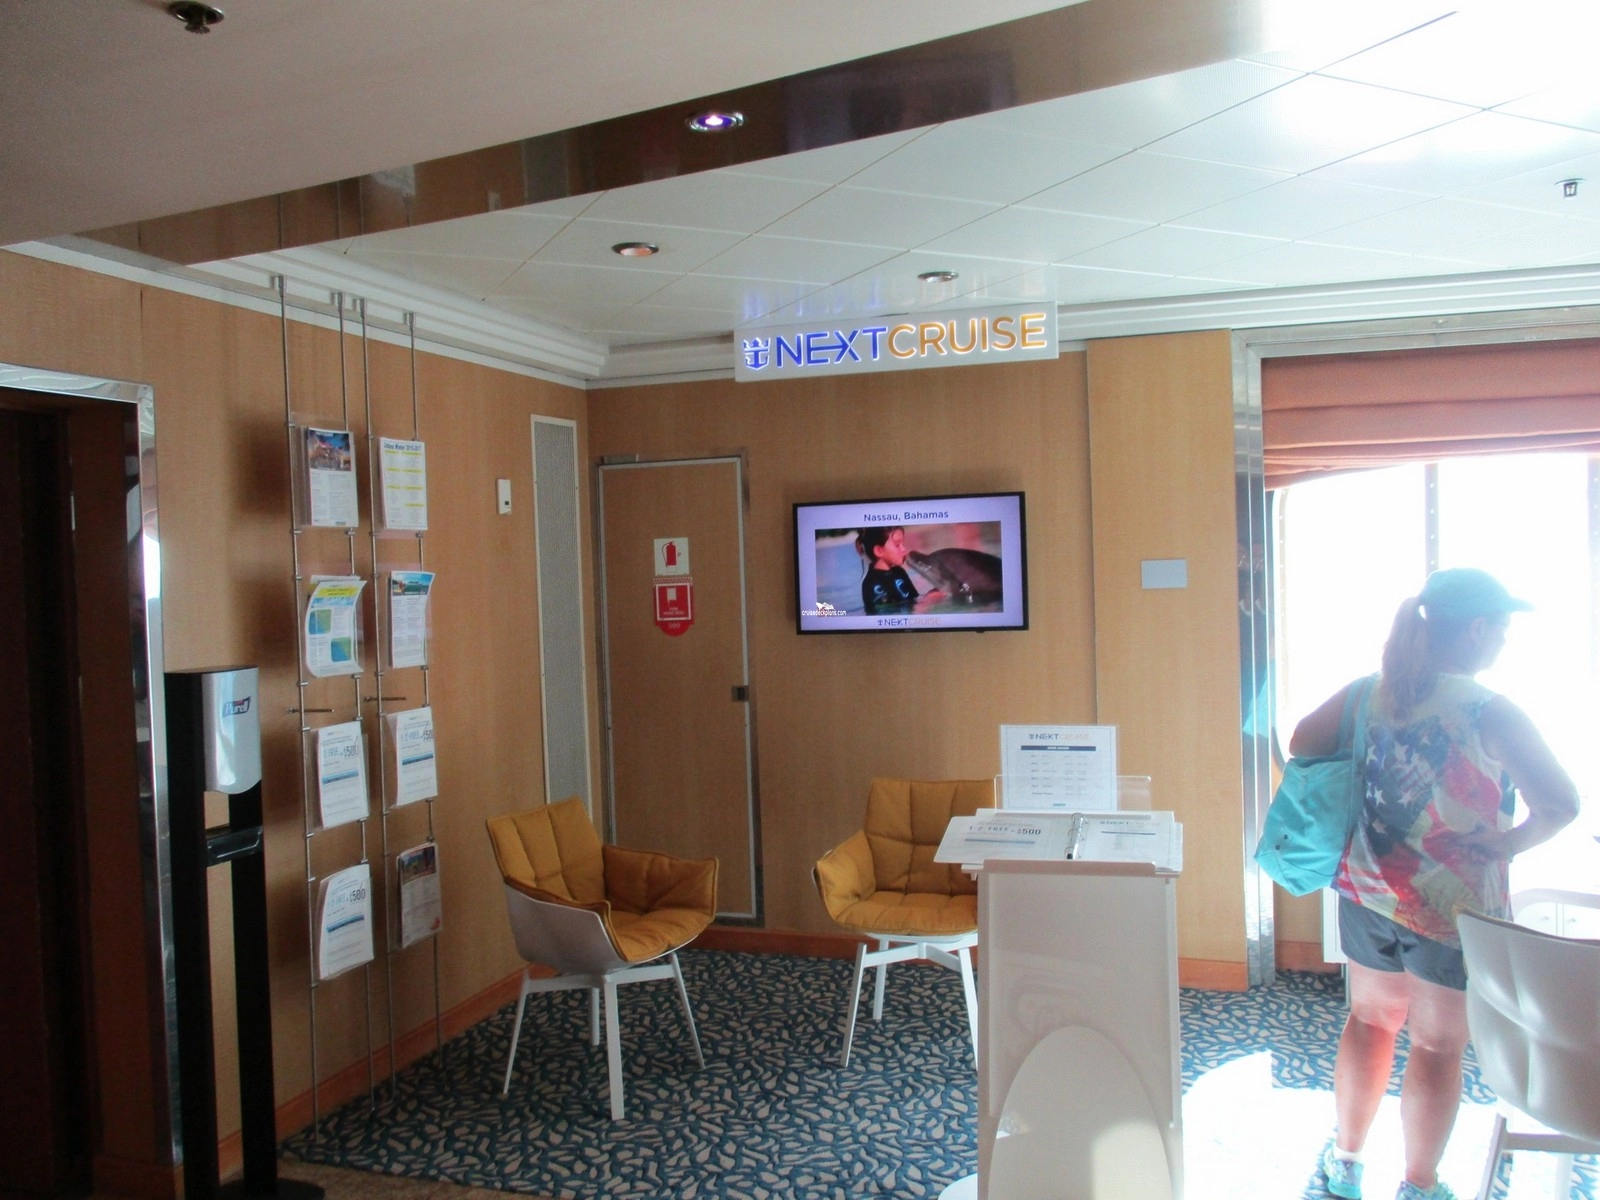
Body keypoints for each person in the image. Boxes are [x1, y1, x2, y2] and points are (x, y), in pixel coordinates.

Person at [1290, 568, 1579, 1200]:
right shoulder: (1488, 709)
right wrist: (1507, 844)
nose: (1503, 640)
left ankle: (1345, 1166)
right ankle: (1419, 1186)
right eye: (1501, 628)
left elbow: (1302, 741)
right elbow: (1561, 804)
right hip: (1452, 905)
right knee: (1438, 1046)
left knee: (1370, 1022)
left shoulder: (1371, 692)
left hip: (1369, 885)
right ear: (1475, 630)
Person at [857, 526, 919, 613]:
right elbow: (885, 612)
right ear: (879, 551)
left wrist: (930, 596)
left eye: (903, 544)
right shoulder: (871, 583)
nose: (904, 549)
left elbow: (914, 599)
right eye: (897, 545)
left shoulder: (900, 572)